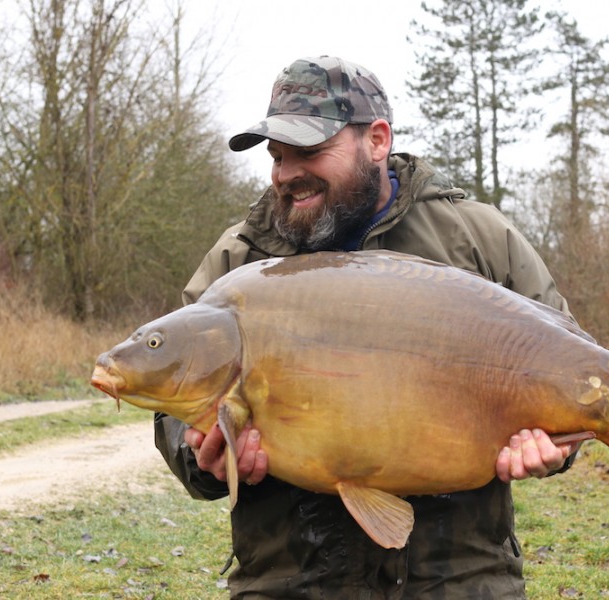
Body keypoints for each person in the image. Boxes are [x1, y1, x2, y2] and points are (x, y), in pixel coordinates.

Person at [155, 55, 583, 599]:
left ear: (377, 140)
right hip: (290, 583)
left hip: (462, 582)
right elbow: (170, 401)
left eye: (308, 151)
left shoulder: (477, 239)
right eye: (277, 156)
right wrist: (203, 458)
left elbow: (578, 372)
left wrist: (556, 448)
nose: (286, 173)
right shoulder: (239, 260)